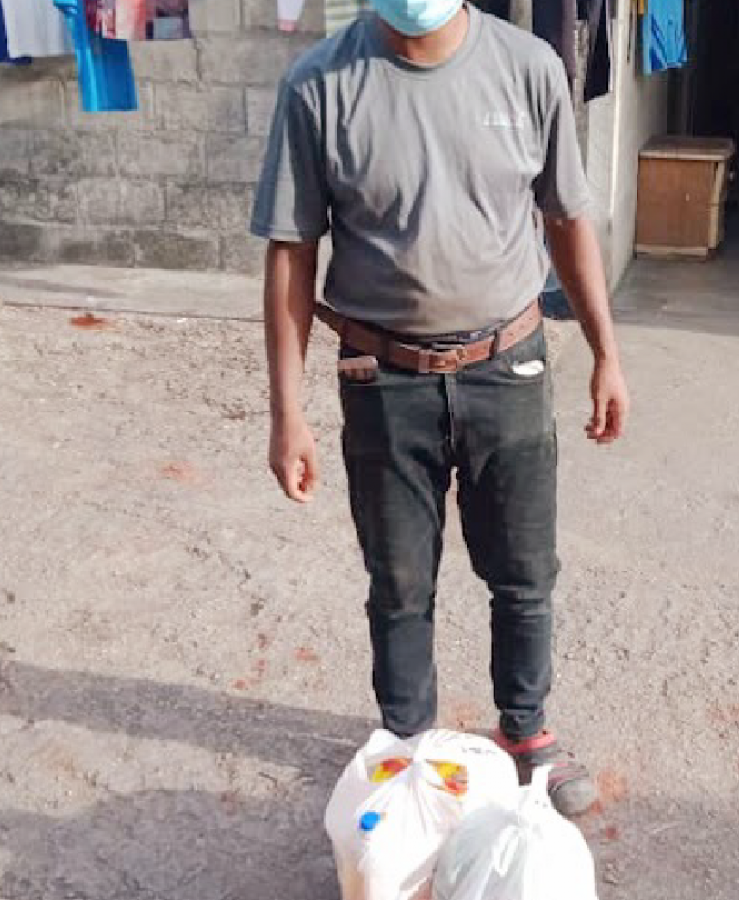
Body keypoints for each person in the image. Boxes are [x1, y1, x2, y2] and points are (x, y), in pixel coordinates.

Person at [250, 0, 629, 817]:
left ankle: (526, 737)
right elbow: (292, 250)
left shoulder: (528, 69)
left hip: (511, 363)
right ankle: (409, 749)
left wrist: (606, 351)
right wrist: (288, 410)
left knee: (524, 575)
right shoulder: (319, 84)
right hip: (383, 376)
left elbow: (566, 217)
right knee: (398, 582)